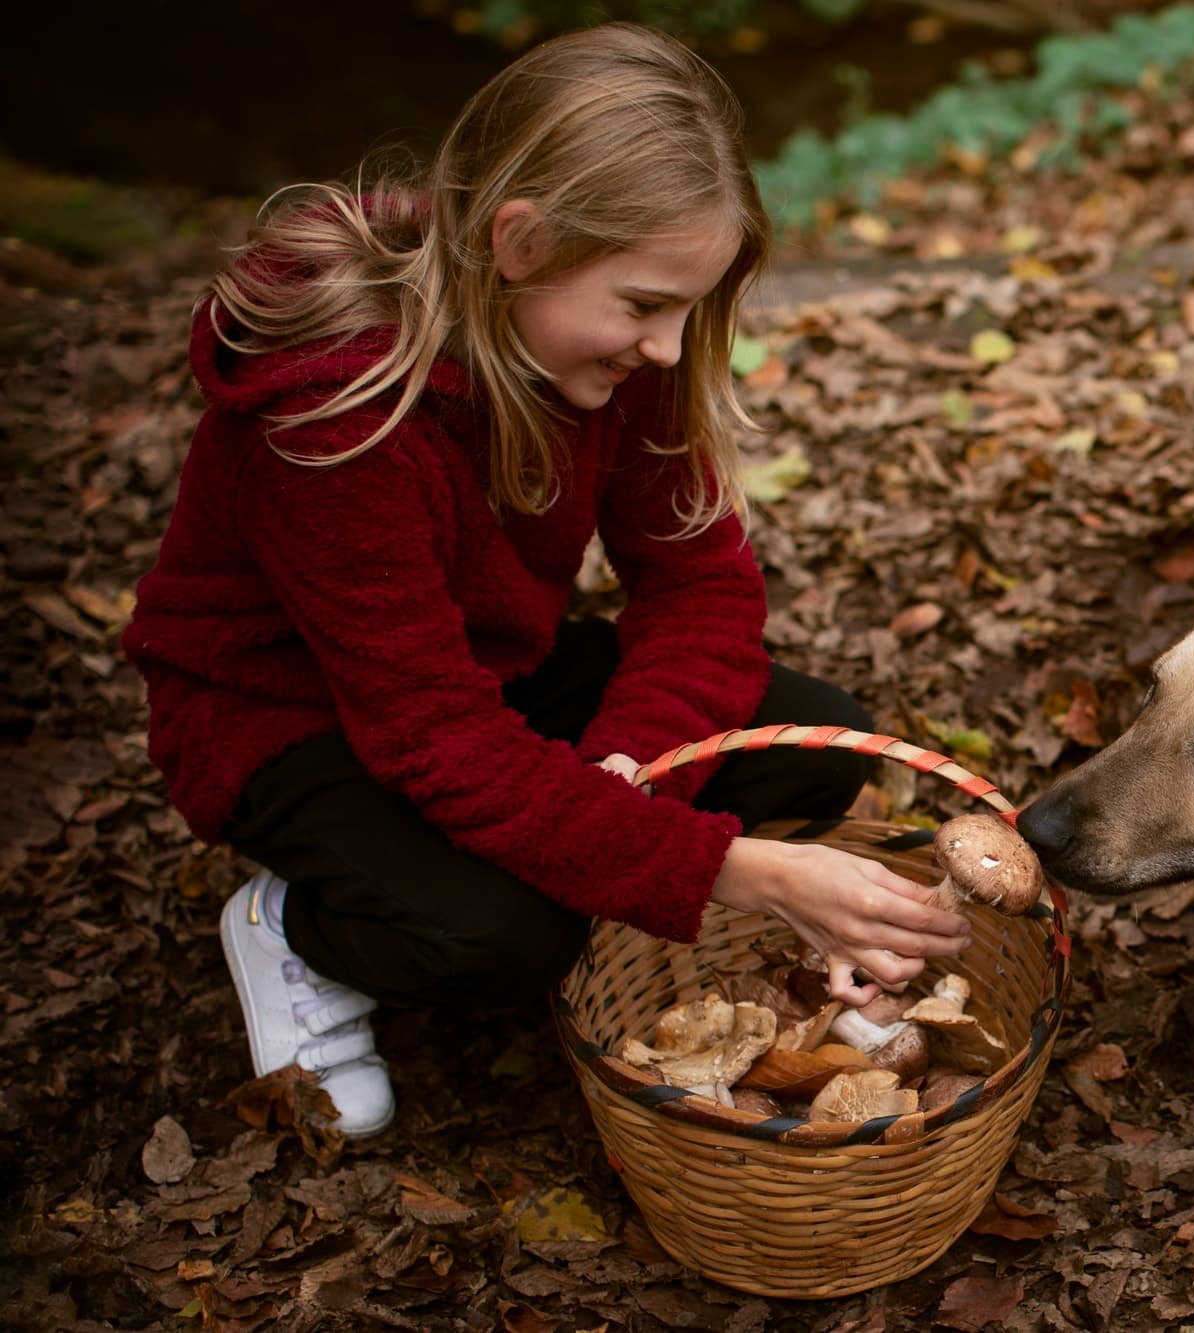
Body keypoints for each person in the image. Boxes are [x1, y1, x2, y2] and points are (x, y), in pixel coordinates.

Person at [120, 23, 971, 1138]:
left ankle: (553, 852)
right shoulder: (336, 424)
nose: (668, 347)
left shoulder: (615, 354)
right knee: (511, 936)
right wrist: (731, 870)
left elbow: (700, 594)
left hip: (483, 674)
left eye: (687, 308)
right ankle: (295, 931)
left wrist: (630, 770)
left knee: (809, 740)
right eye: (644, 304)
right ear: (517, 243)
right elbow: (432, 737)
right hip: (289, 719)